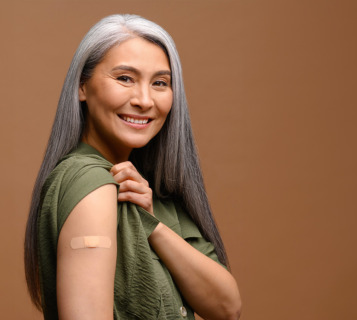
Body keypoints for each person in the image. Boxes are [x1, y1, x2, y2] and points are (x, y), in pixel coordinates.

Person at [23, 14, 242, 320]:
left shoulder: (148, 192)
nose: (144, 100)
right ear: (82, 87)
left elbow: (227, 307)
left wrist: (152, 225)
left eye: (160, 83)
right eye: (125, 78)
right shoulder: (94, 186)